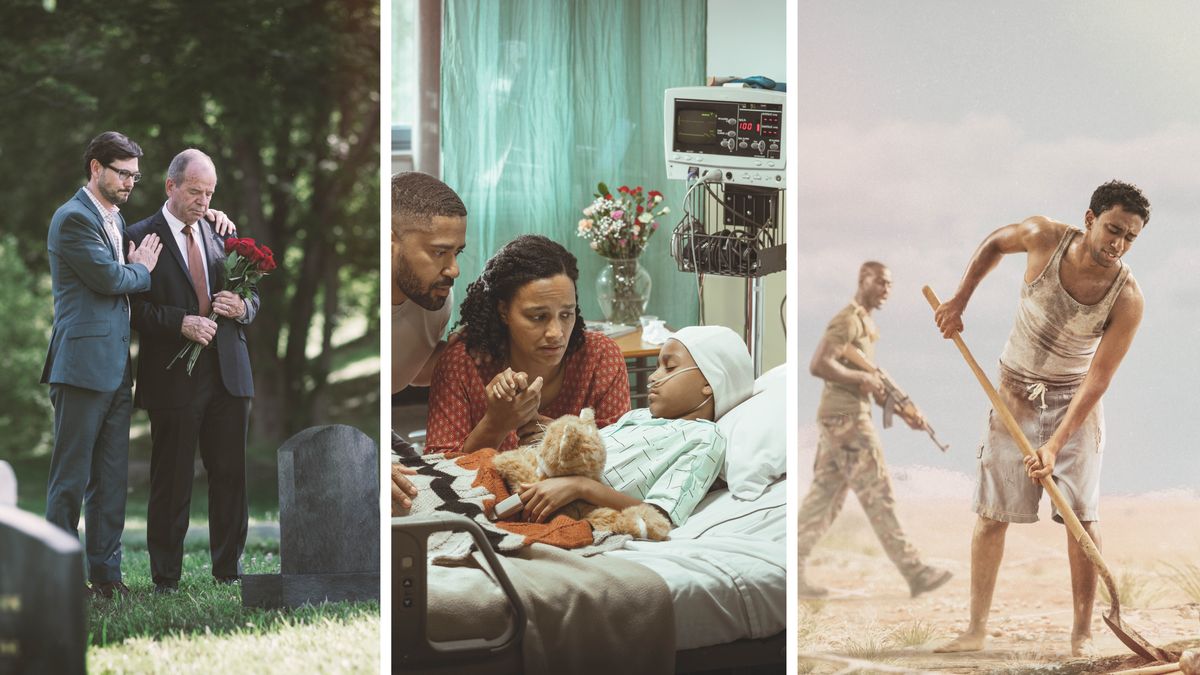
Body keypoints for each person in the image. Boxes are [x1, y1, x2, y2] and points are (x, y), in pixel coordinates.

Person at [933, 180, 1149, 657]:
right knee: (991, 515)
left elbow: (1097, 379)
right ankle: (975, 629)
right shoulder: (1043, 237)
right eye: (1113, 229)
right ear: (1090, 219)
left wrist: (1055, 445)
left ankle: (1082, 634)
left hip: (1076, 403)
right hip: (1014, 391)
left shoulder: (1128, 298)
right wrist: (959, 301)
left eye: (1130, 237)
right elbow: (993, 243)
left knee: (1082, 518)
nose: (1118, 244)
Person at [127, 149, 258, 593]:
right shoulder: (139, 236)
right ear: (171, 186)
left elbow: (254, 295)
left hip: (229, 372)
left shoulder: (224, 232)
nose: (203, 201)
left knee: (230, 477)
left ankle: (228, 571)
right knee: (172, 478)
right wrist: (179, 323)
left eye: (209, 193)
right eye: (195, 191)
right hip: (172, 375)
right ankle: (166, 577)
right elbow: (131, 309)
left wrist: (243, 307)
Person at [42, 132, 164, 599]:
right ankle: (61, 578)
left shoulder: (114, 218)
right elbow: (111, 278)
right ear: (96, 168)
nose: (131, 182)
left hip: (117, 370)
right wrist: (142, 271)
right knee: (70, 479)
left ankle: (107, 577)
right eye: (123, 173)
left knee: (110, 480)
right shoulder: (73, 218)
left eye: (136, 175)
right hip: (79, 366)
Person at [796, 261, 952, 599]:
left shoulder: (865, 324)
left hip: (839, 418)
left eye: (889, 285)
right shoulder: (848, 320)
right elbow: (819, 363)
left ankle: (789, 570)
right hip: (848, 420)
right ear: (863, 280)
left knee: (824, 500)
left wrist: (904, 410)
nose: (886, 290)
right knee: (879, 494)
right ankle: (915, 572)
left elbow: (873, 383)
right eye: (880, 283)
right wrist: (860, 378)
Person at [518, 325, 754, 527]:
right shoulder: (639, 417)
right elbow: (595, 458)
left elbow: (658, 516)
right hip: (531, 475)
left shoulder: (703, 437)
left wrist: (580, 487)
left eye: (669, 368)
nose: (653, 377)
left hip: (554, 504)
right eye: (656, 367)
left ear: (710, 382)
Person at [425, 235, 630, 456]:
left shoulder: (600, 357)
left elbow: (626, 456)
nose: (556, 333)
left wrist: (565, 439)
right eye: (538, 317)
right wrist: (495, 424)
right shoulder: (463, 365)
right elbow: (436, 468)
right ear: (504, 311)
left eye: (566, 314)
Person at [390, 171, 467, 514]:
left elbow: (412, 371)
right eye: (439, 253)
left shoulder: (437, 300)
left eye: (457, 253)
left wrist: (466, 350)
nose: (453, 270)